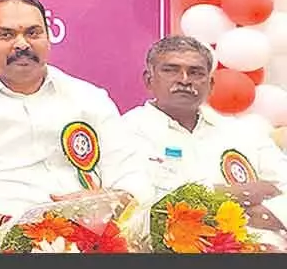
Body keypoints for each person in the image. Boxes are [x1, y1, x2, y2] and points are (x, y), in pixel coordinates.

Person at [0, 0, 151, 230]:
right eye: (6, 35)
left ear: (48, 38)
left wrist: (104, 202)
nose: (22, 44)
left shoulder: (89, 99)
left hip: (87, 232)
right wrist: (11, 226)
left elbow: (132, 177)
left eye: (33, 33)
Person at [122, 35, 287, 198]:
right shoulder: (125, 132)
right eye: (171, 71)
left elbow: (283, 187)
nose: (184, 80)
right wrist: (233, 194)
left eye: (196, 73)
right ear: (149, 80)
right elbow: (139, 199)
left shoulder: (244, 133)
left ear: (211, 85)